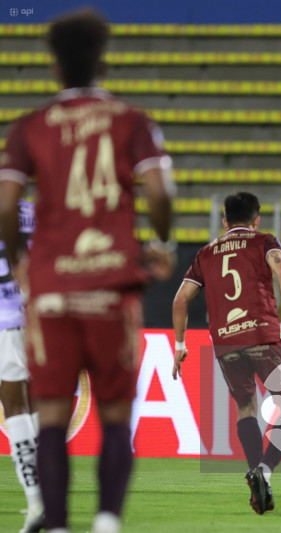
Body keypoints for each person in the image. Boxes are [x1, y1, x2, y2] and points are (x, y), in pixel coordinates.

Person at [0, 8, 176, 533]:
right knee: (116, 413)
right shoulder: (132, 119)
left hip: (52, 289)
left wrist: (21, 265)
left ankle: (54, 522)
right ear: (103, 64)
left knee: (49, 413)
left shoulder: (29, 127)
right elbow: (160, 192)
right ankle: (105, 521)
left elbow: (6, 206)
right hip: (110, 283)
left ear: (54, 67)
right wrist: (162, 243)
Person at [171, 191, 281, 515]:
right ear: (256, 219)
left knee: (246, 407)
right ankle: (265, 471)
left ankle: (256, 476)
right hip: (263, 338)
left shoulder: (205, 253)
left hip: (226, 344)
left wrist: (179, 345)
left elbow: (179, 300)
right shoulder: (264, 242)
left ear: (224, 221)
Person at [0, 200, 43, 533]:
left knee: (14, 404)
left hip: (7, 318)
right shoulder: (38, 210)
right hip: (47, 314)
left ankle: (36, 499)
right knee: (46, 400)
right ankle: (50, 488)